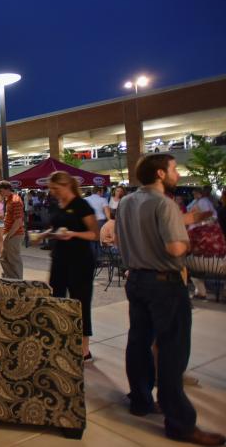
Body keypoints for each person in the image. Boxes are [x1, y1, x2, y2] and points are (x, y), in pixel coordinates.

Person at [116, 154, 225, 445]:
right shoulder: (165, 204)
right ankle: (180, 422)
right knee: (172, 351)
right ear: (161, 174)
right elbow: (175, 247)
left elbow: (128, 237)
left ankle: (140, 400)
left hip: (136, 279)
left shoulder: (127, 202)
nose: (178, 173)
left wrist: (184, 220)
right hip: (164, 283)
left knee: (138, 342)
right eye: (175, 169)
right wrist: (191, 239)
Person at [37, 171, 99, 361]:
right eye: (51, 189)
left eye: (55, 188)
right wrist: (45, 234)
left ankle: (84, 348)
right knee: (56, 299)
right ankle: (61, 340)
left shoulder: (81, 205)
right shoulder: (59, 204)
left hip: (80, 261)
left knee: (80, 302)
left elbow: (94, 234)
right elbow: (57, 227)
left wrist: (73, 234)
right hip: (59, 259)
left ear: (67, 185)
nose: (52, 192)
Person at [186, 188, 220, 300]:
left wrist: (201, 224)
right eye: (193, 193)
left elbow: (209, 216)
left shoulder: (203, 202)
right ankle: (200, 291)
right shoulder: (197, 202)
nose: (194, 195)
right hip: (198, 233)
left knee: (194, 264)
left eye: (195, 193)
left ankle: (201, 291)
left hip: (200, 235)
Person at [0, 181, 24, 279]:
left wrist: (8, 235)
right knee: (4, 258)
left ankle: (17, 281)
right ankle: (10, 278)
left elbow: (18, 221)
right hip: (10, 233)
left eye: (1, 191)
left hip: (14, 234)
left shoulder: (15, 200)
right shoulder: (9, 199)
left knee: (13, 259)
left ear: (7, 189)